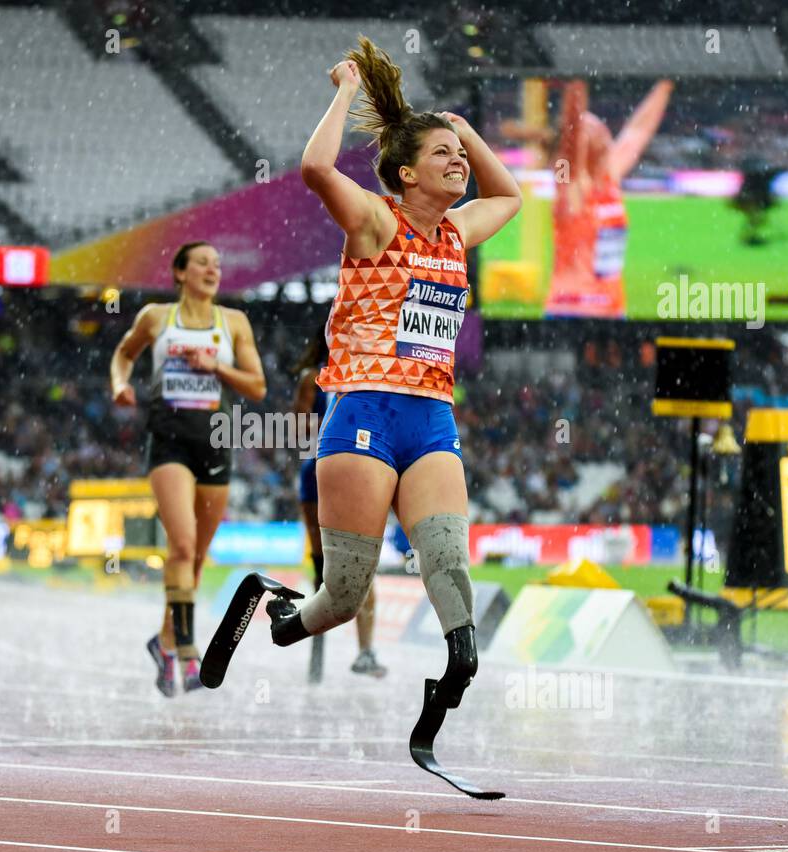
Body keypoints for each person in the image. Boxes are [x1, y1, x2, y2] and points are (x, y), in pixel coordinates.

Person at [256, 36, 520, 718]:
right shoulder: (375, 220)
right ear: (405, 174)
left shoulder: (457, 234)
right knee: (342, 596)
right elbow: (316, 167)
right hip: (363, 411)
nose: (459, 162)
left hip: (432, 417)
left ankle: (460, 660)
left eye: (460, 156)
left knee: (447, 561)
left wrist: (463, 131)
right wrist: (345, 89)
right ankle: (283, 616)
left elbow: (511, 194)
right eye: (442, 155)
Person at [110, 242, 266, 697]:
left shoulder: (233, 322)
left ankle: (163, 642)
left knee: (196, 557)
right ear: (179, 272)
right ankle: (187, 650)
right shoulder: (156, 317)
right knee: (180, 545)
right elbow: (123, 355)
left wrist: (215, 366)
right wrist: (120, 385)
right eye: (201, 262)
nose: (212, 269)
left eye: (218, 263)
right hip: (169, 441)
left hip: (215, 441)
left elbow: (257, 386)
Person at [505, 79, 672, 320]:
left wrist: (664, 86)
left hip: (611, 312)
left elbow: (638, 131)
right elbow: (573, 127)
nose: (603, 132)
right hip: (571, 312)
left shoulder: (609, 177)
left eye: (598, 127)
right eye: (590, 129)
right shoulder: (569, 186)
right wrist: (574, 79)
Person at [291, 328, 384, 683]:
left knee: (353, 564)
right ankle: (359, 650)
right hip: (323, 469)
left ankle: (363, 650)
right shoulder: (319, 377)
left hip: (334, 469)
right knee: (338, 565)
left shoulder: (365, 369)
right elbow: (299, 428)